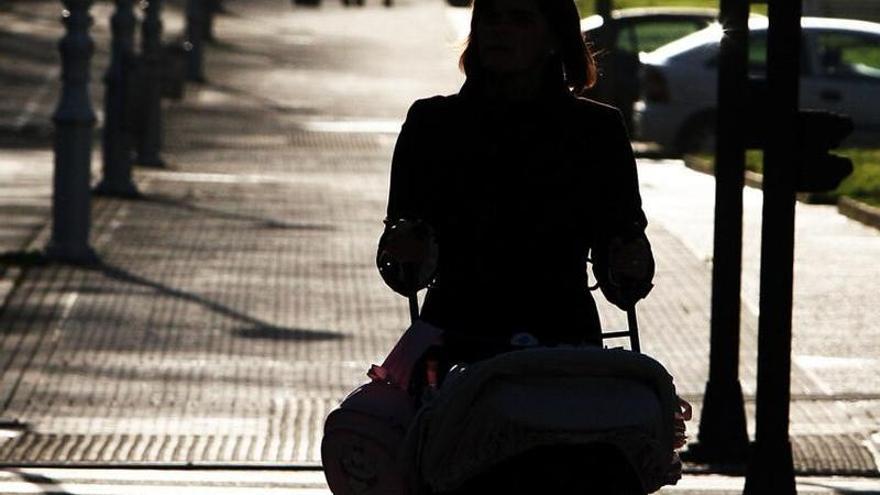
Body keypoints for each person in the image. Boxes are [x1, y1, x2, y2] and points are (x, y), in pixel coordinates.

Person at [378, 0, 654, 364]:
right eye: (491, 18)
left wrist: (629, 264)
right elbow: (401, 260)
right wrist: (404, 251)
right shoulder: (433, 124)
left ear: (554, 38)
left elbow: (621, 251)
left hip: (560, 344)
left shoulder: (595, 130)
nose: (500, 30)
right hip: (457, 342)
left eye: (520, 19)